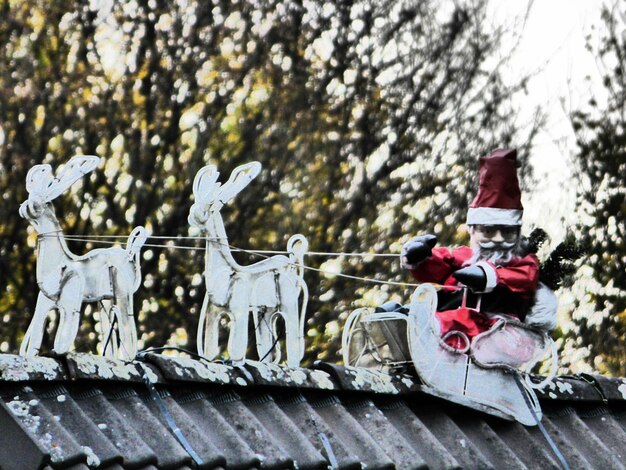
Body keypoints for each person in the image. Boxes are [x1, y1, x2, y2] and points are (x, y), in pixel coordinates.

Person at [400, 148, 555, 351]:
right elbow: (444, 264)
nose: (498, 240)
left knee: (452, 320)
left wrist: (487, 275)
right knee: (407, 314)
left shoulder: (522, 261)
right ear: (474, 231)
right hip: (454, 316)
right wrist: (422, 257)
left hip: (492, 328)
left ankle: (423, 333)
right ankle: (397, 327)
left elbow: (523, 277)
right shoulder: (466, 256)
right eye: (489, 232)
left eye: (507, 233)